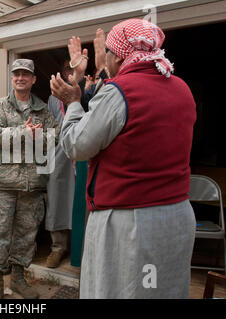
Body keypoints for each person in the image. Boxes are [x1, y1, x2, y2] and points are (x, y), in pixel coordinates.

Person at [51, 19, 197, 298]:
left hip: (131, 220)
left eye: (107, 52)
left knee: (125, 289)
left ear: (118, 56)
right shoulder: (182, 88)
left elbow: (77, 146)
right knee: (160, 289)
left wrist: (72, 103)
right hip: (175, 215)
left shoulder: (120, 92)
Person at [0, 59, 60, 299]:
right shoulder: (0, 106)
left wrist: (39, 138)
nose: (20, 78)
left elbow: (55, 138)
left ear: (33, 79)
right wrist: (23, 133)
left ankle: (18, 279)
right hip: (4, 185)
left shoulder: (42, 110)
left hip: (32, 185)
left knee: (26, 236)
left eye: (25, 74)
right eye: (16, 74)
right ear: (12, 78)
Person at [45, 59, 75, 268]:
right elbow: (49, 125)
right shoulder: (53, 97)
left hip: (85, 153)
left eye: (75, 69)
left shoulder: (91, 91)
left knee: (82, 201)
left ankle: (83, 249)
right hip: (60, 153)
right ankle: (58, 248)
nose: (71, 73)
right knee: (57, 199)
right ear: (63, 73)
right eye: (67, 69)